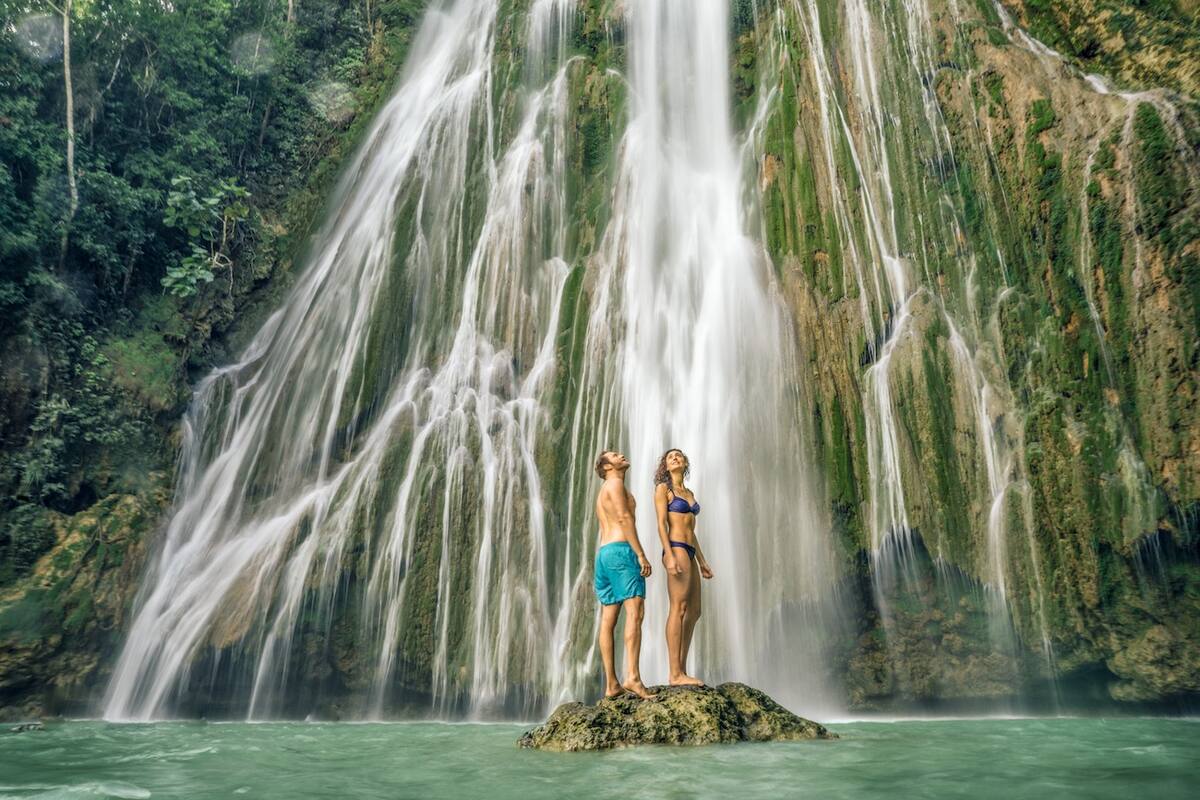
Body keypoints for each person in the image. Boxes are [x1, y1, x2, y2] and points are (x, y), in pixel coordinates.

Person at [593, 449, 656, 700]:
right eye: (615, 456)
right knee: (635, 612)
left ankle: (611, 684)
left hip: (604, 554)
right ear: (607, 467)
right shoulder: (615, 483)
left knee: (609, 619)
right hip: (621, 552)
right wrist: (640, 554)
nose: (621, 456)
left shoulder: (603, 492)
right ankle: (633, 676)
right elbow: (624, 517)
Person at [653, 448, 713, 686]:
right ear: (666, 466)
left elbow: (692, 531)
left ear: (685, 462)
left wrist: (702, 560)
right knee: (678, 607)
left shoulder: (688, 492)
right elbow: (660, 524)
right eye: (670, 457)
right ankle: (674, 673)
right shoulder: (663, 490)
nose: (675, 458)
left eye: (678, 455)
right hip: (676, 547)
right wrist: (667, 554)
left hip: (689, 550)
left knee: (695, 610)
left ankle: (682, 668)